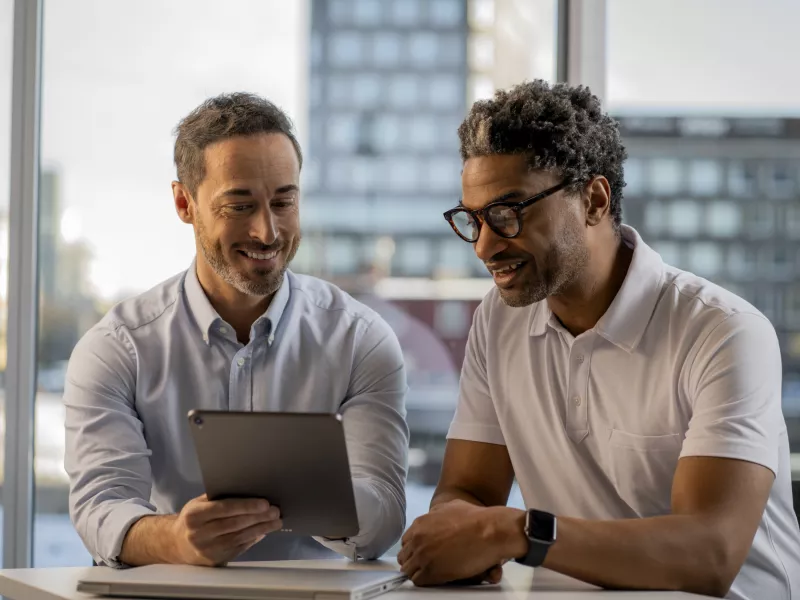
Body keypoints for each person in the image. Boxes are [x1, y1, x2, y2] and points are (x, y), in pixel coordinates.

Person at [397, 80, 800, 600]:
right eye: (473, 220)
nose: (485, 247)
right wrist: (457, 528)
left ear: (593, 199)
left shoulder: (723, 332)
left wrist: (512, 533)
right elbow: (468, 491)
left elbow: (711, 552)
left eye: (508, 213)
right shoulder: (498, 321)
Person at [64, 93, 408, 568]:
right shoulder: (118, 348)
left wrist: (319, 497)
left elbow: (387, 517)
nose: (267, 232)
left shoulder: (360, 340)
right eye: (239, 206)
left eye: (283, 201)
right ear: (185, 202)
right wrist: (176, 540)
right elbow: (100, 507)